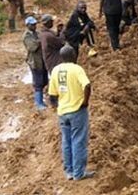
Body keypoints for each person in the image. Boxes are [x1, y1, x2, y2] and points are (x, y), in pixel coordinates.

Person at [48, 45, 94, 181]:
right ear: (73, 55)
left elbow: (52, 94)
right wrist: (85, 102)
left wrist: (57, 106)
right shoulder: (76, 69)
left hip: (63, 112)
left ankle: (69, 171)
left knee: (66, 141)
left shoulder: (56, 70)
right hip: (77, 110)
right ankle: (79, 173)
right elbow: (87, 85)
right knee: (78, 140)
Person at [23, 16, 48, 110]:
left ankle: (42, 100)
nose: (34, 26)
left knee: (44, 80)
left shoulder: (37, 33)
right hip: (34, 61)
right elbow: (32, 47)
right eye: (32, 24)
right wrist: (40, 41)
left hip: (42, 60)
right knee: (38, 82)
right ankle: (38, 103)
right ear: (27, 25)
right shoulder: (27, 36)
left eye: (35, 24)